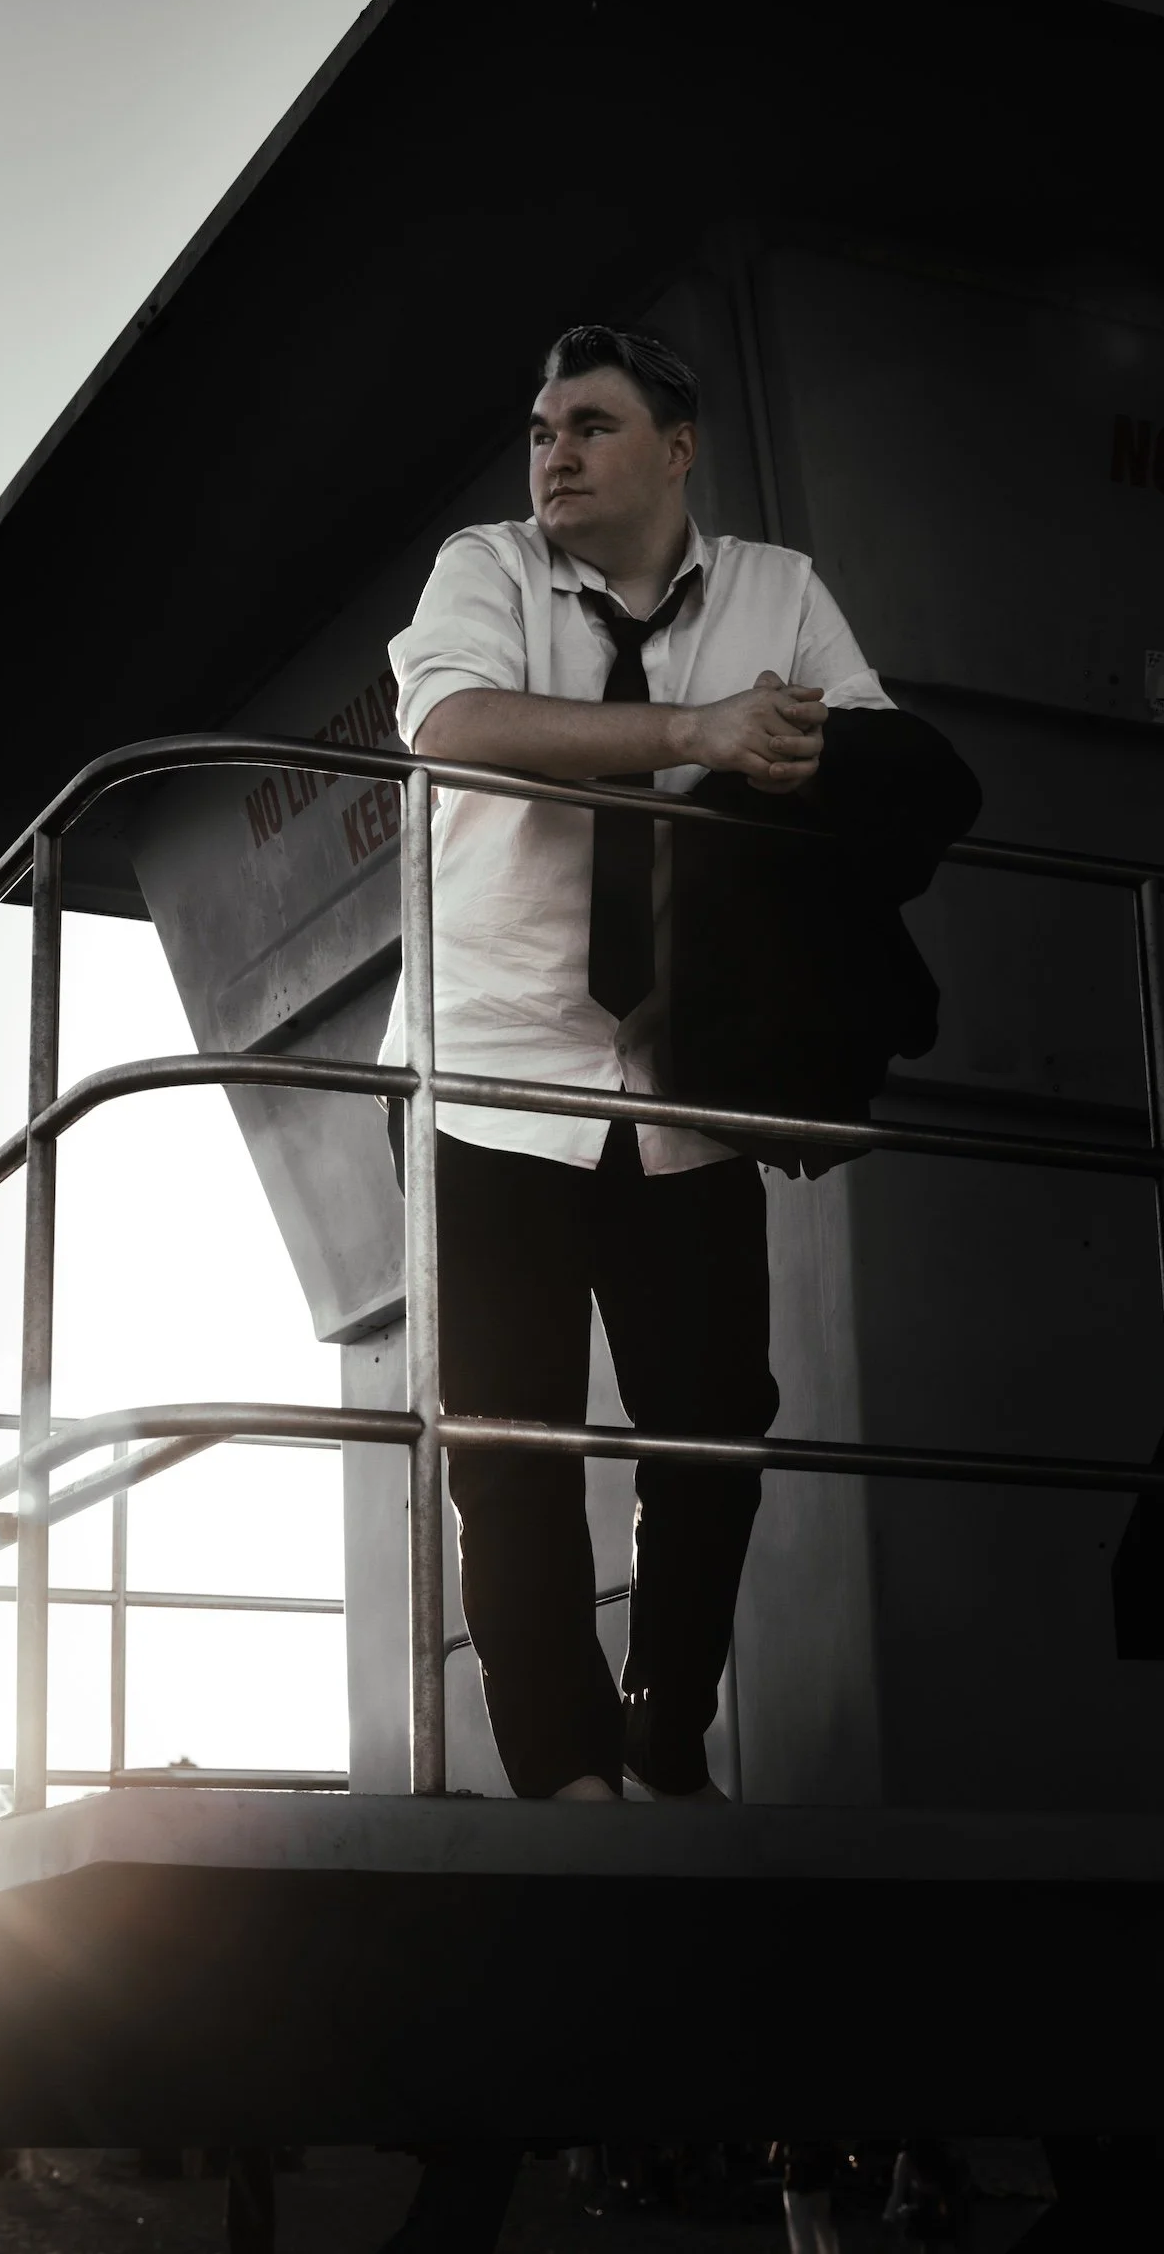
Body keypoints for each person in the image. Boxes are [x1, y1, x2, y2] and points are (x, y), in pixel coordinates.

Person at [379, 321, 897, 1805]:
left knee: (717, 1426)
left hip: (686, 1084)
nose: (554, 451)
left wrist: (810, 774)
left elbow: (876, 757)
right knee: (510, 1443)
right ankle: (565, 1772)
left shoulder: (777, 591)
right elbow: (453, 724)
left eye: (592, 426)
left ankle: (668, 1734)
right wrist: (699, 732)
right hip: (484, 1078)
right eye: (542, 427)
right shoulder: (481, 570)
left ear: (676, 449)